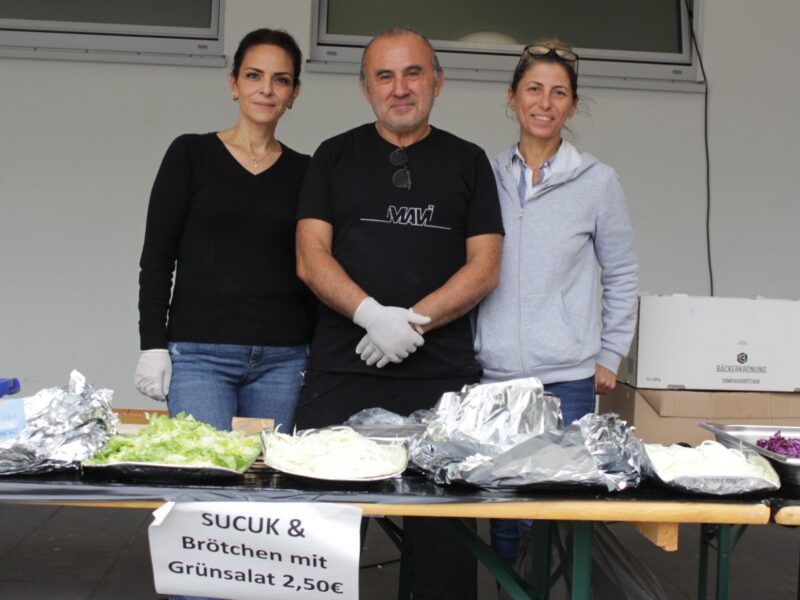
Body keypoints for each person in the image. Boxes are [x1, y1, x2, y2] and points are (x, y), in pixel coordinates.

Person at [295, 28, 504, 600]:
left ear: (437, 81)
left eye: (414, 73)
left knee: (444, 555)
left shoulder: (468, 161)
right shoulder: (333, 156)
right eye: (384, 76)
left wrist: (411, 322)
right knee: (322, 544)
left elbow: (485, 268)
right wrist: (370, 315)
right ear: (366, 89)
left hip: (441, 380)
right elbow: (310, 257)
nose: (400, 88)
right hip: (343, 372)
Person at [472, 40, 639, 567]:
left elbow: (622, 273)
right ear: (512, 97)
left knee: (549, 511)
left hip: (567, 379)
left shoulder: (598, 182)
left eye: (559, 93)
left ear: (573, 105)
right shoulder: (484, 176)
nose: (545, 103)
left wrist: (610, 353)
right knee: (502, 512)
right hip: (495, 376)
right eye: (534, 89)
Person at [134, 28, 314, 435]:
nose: (266, 89)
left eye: (281, 79)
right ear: (234, 84)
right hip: (200, 356)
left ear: (294, 93)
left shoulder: (307, 171)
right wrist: (152, 343)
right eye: (253, 75)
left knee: (266, 471)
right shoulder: (190, 154)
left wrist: (321, 354)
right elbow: (158, 258)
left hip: (283, 360)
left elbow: (313, 266)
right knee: (207, 469)